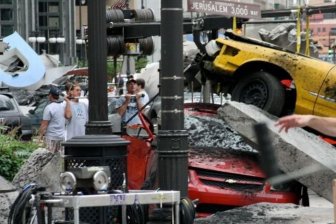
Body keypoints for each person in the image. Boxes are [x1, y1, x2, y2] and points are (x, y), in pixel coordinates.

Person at [39, 86, 66, 153]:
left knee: (49, 157)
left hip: (51, 137)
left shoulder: (49, 108)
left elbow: (44, 125)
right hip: (62, 137)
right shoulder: (63, 106)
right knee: (60, 158)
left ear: (50, 95)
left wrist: (40, 136)